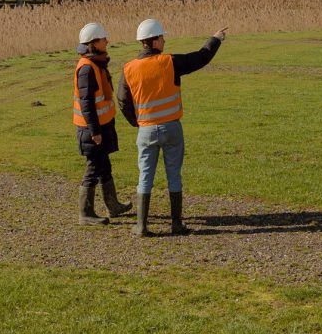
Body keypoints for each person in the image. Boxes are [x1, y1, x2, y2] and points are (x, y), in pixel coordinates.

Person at [117, 19, 228, 237]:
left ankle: (141, 226)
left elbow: (122, 100)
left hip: (146, 130)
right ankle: (176, 224)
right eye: (162, 37)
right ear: (155, 41)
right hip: (171, 128)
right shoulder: (170, 62)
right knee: (174, 175)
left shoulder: (128, 68)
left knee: (145, 175)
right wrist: (215, 39)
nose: (165, 41)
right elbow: (200, 58)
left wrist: (137, 122)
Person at [73, 22, 132, 226]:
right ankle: (85, 213)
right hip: (92, 129)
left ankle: (113, 205)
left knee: (104, 166)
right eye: (103, 39)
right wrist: (95, 131)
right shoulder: (87, 69)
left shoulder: (96, 63)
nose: (107, 41)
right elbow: (86, 103)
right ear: (93, 43)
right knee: (93, 168)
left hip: (101, 126)